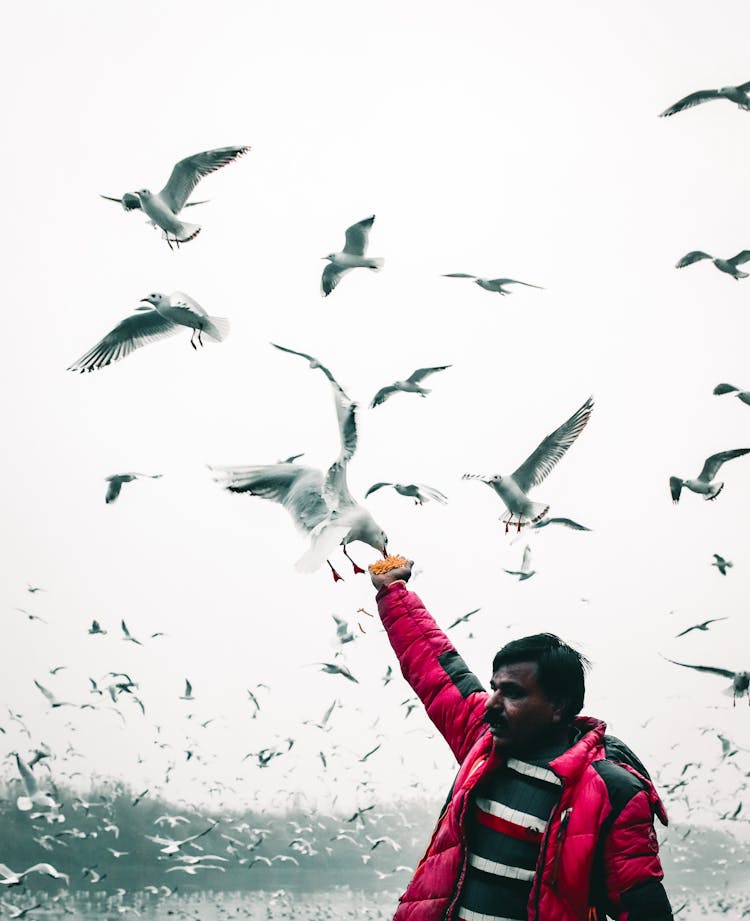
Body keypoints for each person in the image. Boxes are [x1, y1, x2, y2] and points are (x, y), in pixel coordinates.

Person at [370, 560, 673, 921]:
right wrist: (393, 592)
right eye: (494, 687)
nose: (492, 703)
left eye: (512, 693)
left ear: (558, 706)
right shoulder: (483, 737)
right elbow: (433, 666)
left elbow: (641, 906)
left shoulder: (613, 792)